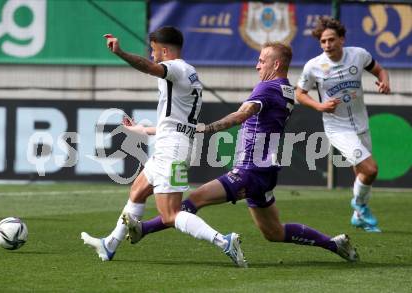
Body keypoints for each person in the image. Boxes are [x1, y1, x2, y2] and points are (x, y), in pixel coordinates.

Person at [125, 42, 359, 263]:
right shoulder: (287, 89)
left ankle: (143, 229)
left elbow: (242, 114)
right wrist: (143, 129)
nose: (257, 65)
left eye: (261, 60)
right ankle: (334, 244)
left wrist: (209, 128)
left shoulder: (267, 87)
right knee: (274, 232)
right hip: (265, 170)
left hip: (250, 170)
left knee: (194, 200)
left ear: (276, 64)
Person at [81, 26, 247, 268]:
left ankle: (224, 241)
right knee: (137, 191)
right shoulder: (190, 73)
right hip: (172, 143)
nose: (151, 54)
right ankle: (110, 245)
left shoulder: (176, 68)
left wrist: (121, 53)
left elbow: (149, 68)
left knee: (170, 215)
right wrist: (143, 130)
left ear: (165, 50)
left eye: (153, 49)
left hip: (173, 148)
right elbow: (175, 122)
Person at [295, 17, 390, 232]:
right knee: (371, 169)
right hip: (337, 128)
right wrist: (319, 106)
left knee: (362, 174)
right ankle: (360, 206)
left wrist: (385, 82)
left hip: (361, 123)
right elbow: (300, 93)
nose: (327, 45)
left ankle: (359, 217)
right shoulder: (314, 66)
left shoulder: (359, 55)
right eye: (323, 41)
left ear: (342, 39)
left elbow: (380, 70)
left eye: (331, 40)